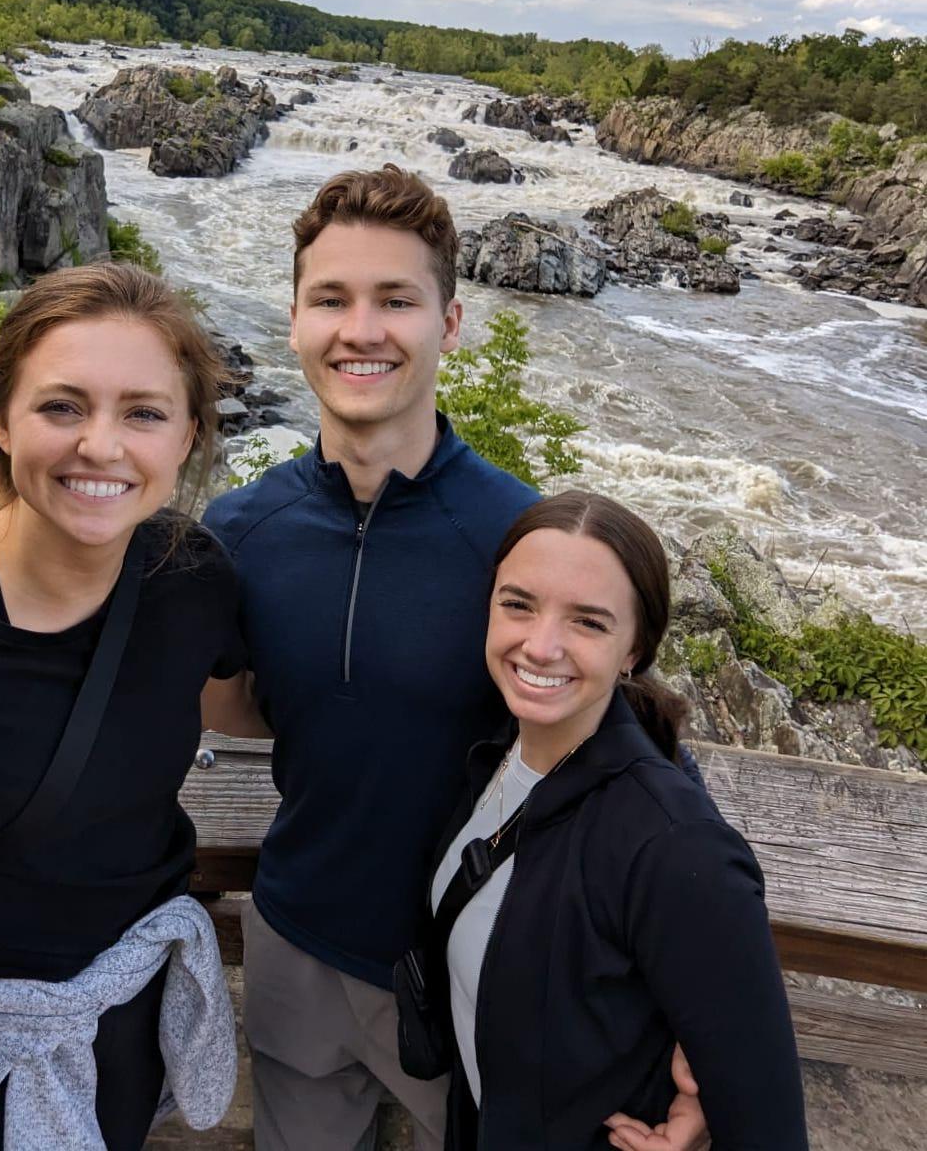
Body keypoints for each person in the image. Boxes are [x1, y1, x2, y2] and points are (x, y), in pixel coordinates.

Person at [202, 165, 712, 1151]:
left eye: (395, 300)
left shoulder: (516, 537)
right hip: (296, 938)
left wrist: (704, 1022)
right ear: (296, 319)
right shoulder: (240, 530)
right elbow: (230, 708)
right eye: (330, 299)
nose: (361, 330)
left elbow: (644, 766)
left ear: (449, 321)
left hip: (478, 966)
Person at [0, 263, 244, 1151]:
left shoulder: (195, 583)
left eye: (143, 413)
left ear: (189, 434)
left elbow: (235, 705)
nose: (101, 447)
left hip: (119, 1021)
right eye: (62, 407)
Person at [430, 490, 806, 1149]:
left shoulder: (672, 848)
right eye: (518, 604)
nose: (540, 646)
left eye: (588, 622)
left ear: (633, 649)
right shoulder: (493, 752)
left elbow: (769, 1126)